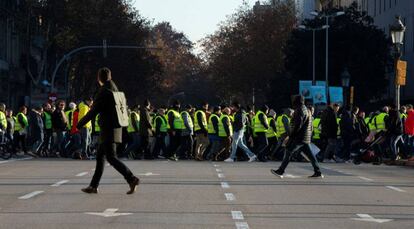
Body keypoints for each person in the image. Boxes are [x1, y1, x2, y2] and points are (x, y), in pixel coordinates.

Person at [77, 67, 139, 195]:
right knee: (100, 157)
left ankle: (131, 178)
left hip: (107, 129)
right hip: (116, 128)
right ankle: (93, 186)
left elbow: (94, 111)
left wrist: (79, 124)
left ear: (99, 78)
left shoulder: (104, 91)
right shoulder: (115, 89)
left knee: (111, 157)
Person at [271, 95, 323, 178]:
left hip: (299, 137)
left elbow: (297, 126)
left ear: (297, 101)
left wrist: (291, 136)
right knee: (310, 156)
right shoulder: (306, 109)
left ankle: (281, 171)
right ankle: (318, 171)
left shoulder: (299, 110)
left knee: (288, 151)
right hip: (305, 137)